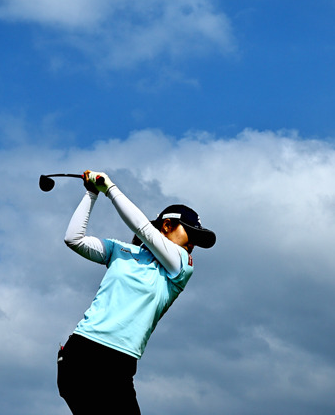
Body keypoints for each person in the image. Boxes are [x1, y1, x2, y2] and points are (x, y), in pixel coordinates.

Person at [56, 169, 216, 415]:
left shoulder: (182, 265)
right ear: (167, 225)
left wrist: (110, 188)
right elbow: (74, 239)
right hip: (82, 355)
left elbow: (143, 229)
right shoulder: (120, 250)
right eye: (190, 234)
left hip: (120, 366)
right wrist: (91, 194)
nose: (192, 243)